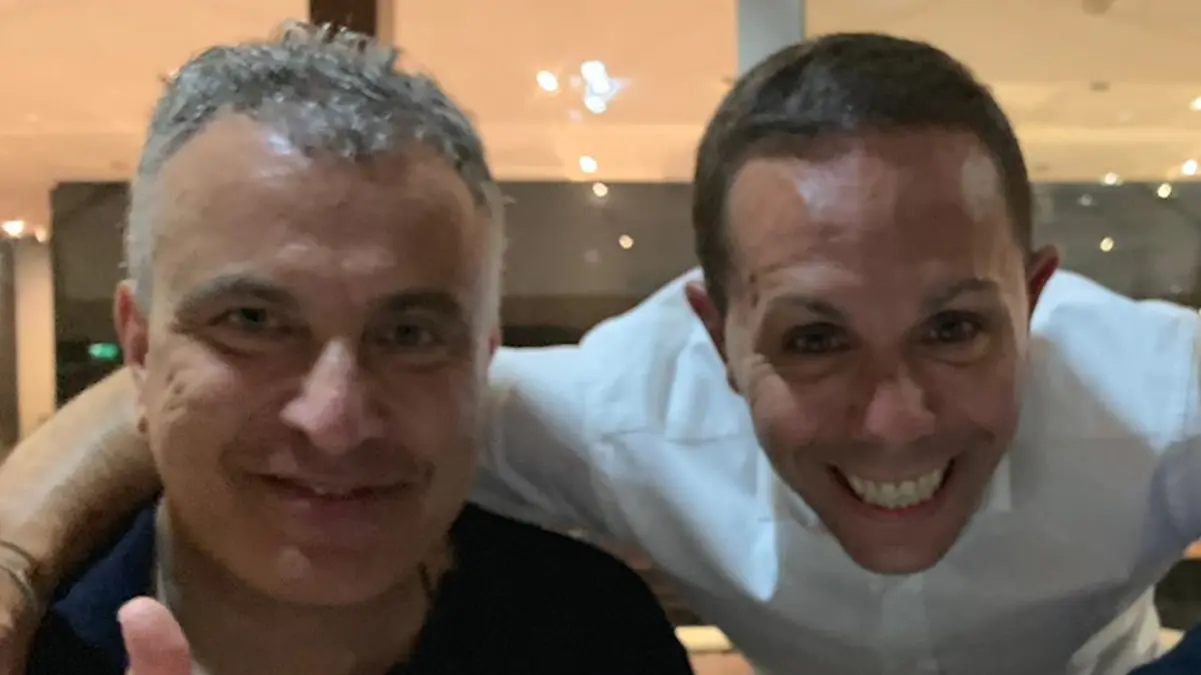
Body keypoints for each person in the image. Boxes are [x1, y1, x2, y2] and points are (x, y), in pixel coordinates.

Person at [0, 29, 1199, 675]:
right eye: (813, 337)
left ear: (1035, 301)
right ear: (713, 332)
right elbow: (201, 404)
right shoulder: (609, 414)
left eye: (953, 328)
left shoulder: (1160, 393)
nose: (894, 419)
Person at [11, 21, 694, 675]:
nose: (334, 421)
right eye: (253, 321)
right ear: (139, 347)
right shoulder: (31, 644)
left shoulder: (592, 634)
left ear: (483, 358)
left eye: (409, 335)